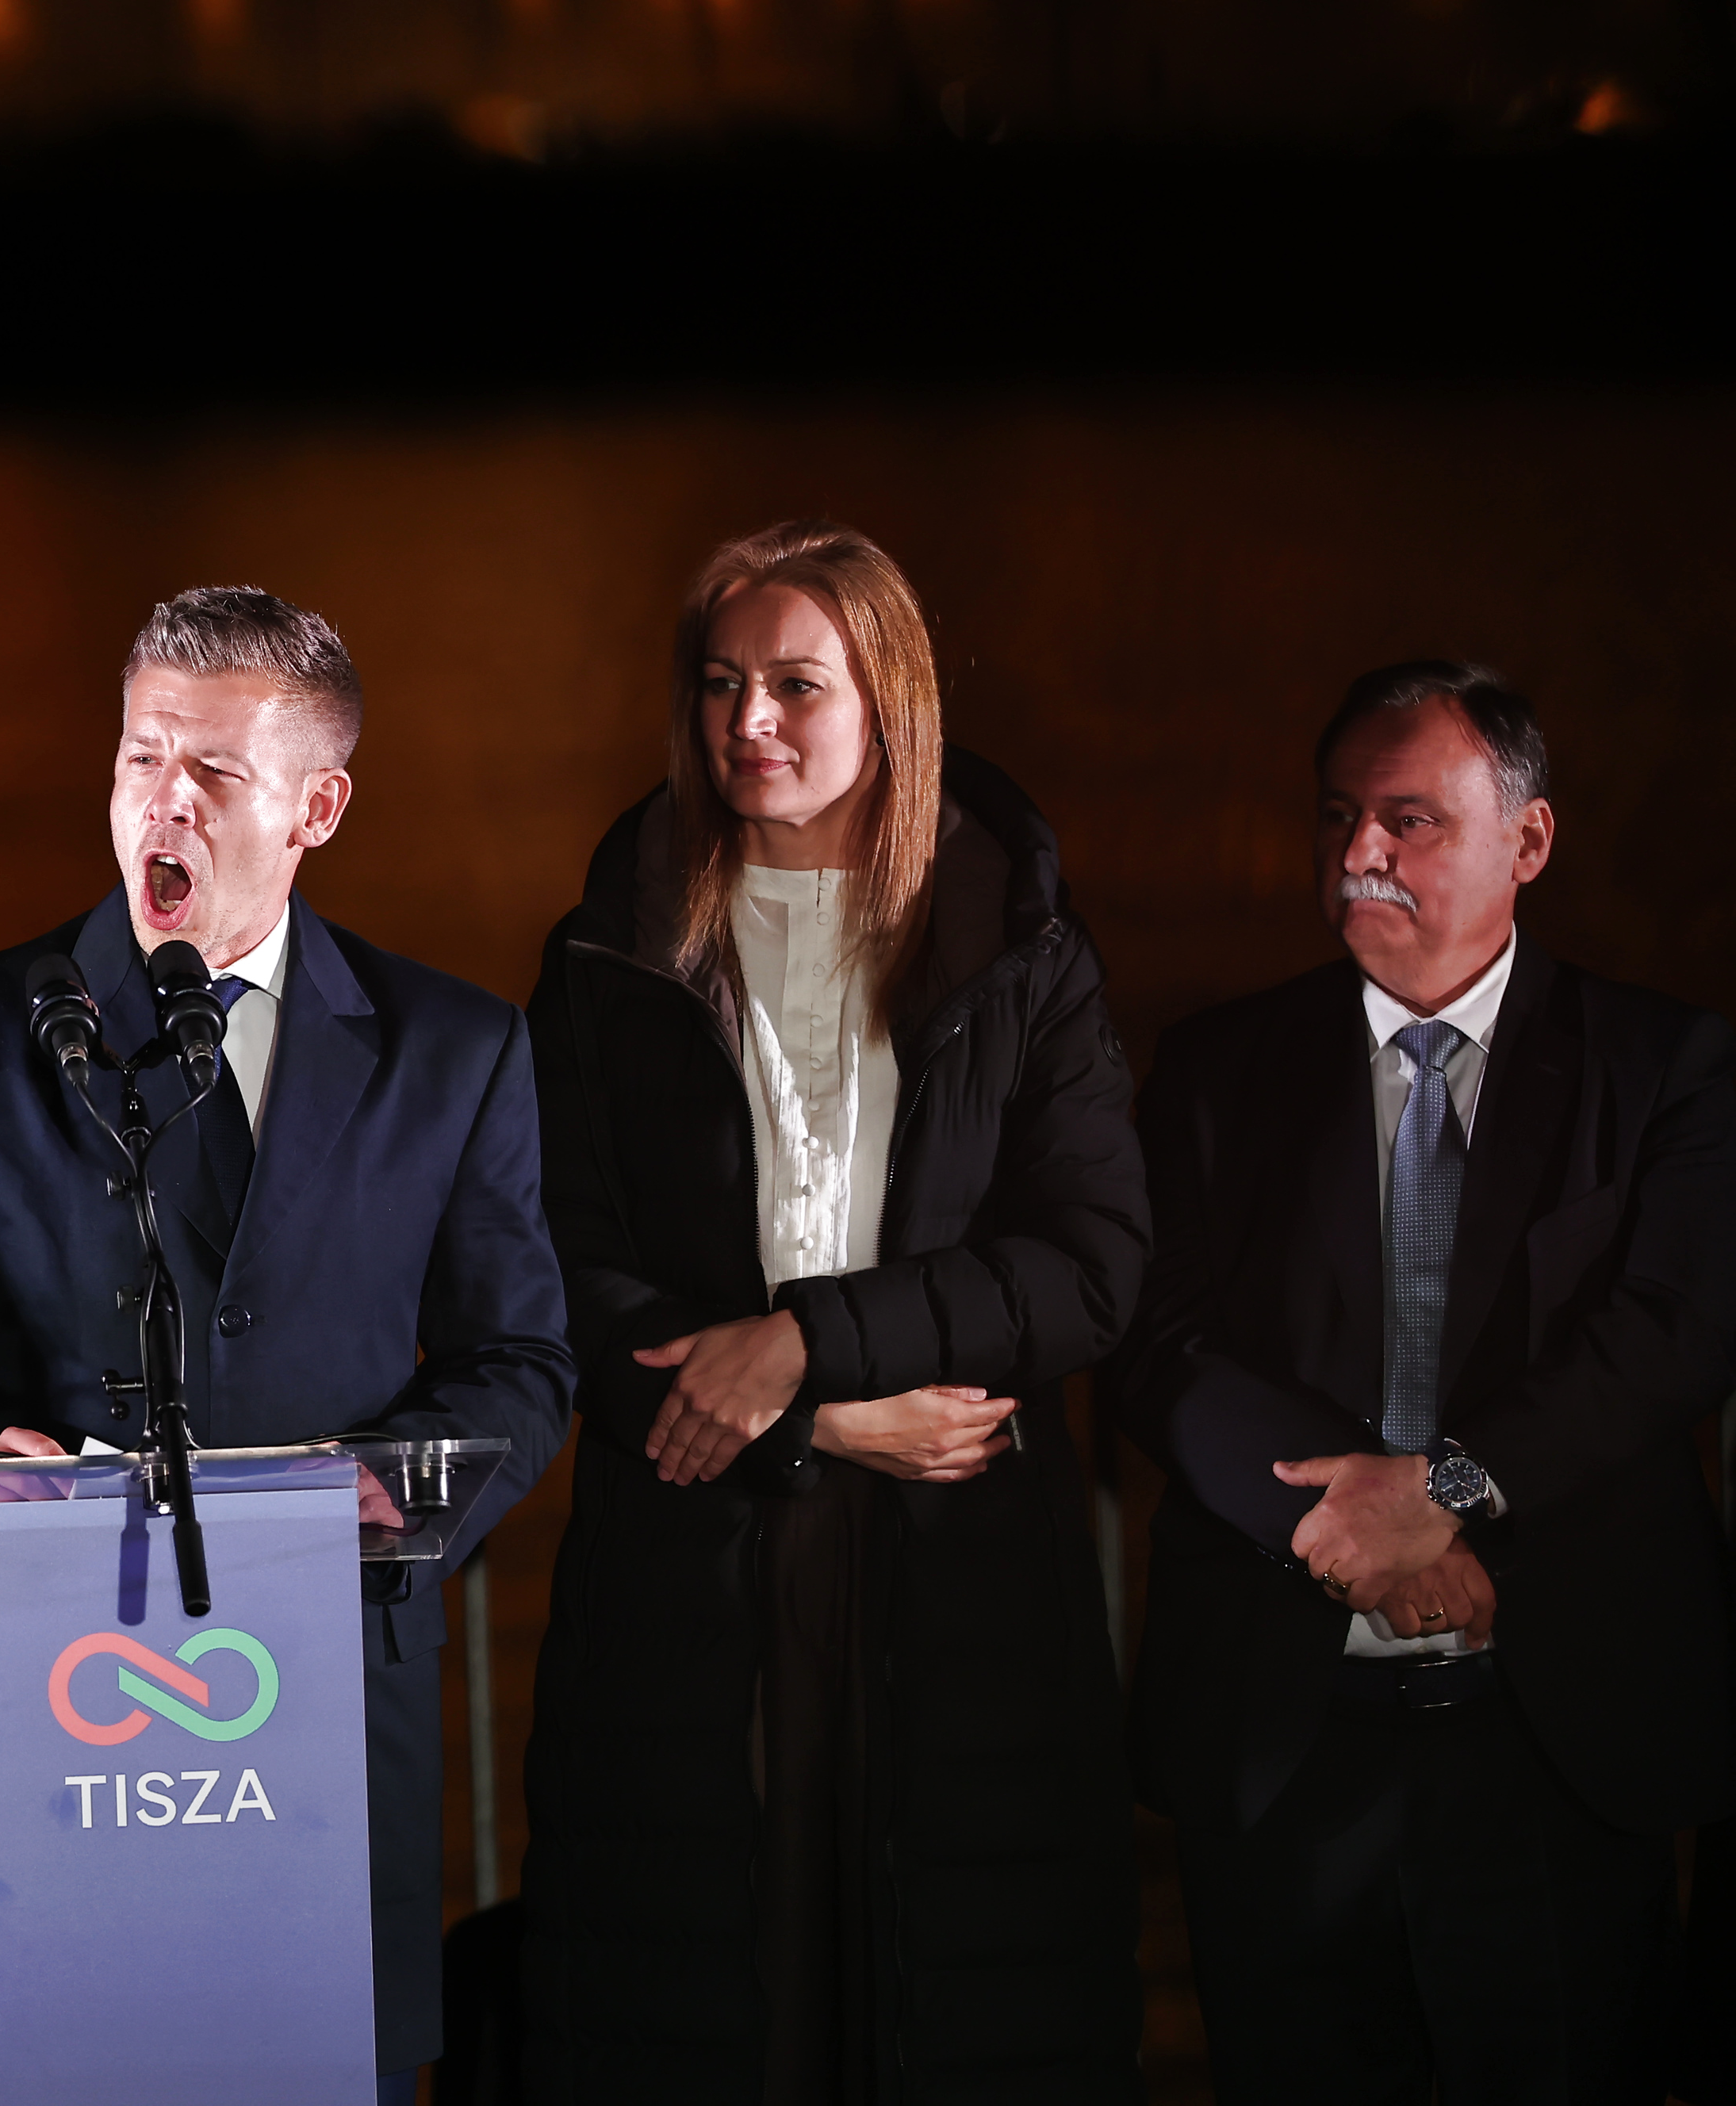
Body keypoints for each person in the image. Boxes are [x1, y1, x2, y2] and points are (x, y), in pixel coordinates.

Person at [0, 585, 573, 2100]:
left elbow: (522, 1361)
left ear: (317, 808)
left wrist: (385, 1490)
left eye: (213, 772)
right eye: (140, 757)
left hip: (329, 1708)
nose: (164, 800)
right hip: (50, 1713)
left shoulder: (456, 1049)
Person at [518, 521, 1149, 2103]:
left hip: (964, 1566)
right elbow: (556, 1266)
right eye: (721, 682)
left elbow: (1089, 1267)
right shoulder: (610, 948)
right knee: (708, 2016)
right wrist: (819, 1419)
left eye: (798, 684)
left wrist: (809, 1341)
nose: (752, 720)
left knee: (957, 2015)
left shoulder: (1020, 942)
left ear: (892, 702)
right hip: (689, 1563)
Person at [1117, 661, 1735, 2104]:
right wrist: (1359, 1530)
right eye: (1338, 816)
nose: (1359, 854)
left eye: (1410, 820)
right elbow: (1158, 1341)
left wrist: (1449, 1493)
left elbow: (1675, 1332)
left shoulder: (1668, 1068)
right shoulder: (1213, 1071)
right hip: (1281, 1739)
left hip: (1560, 1738)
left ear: (1530, 839)